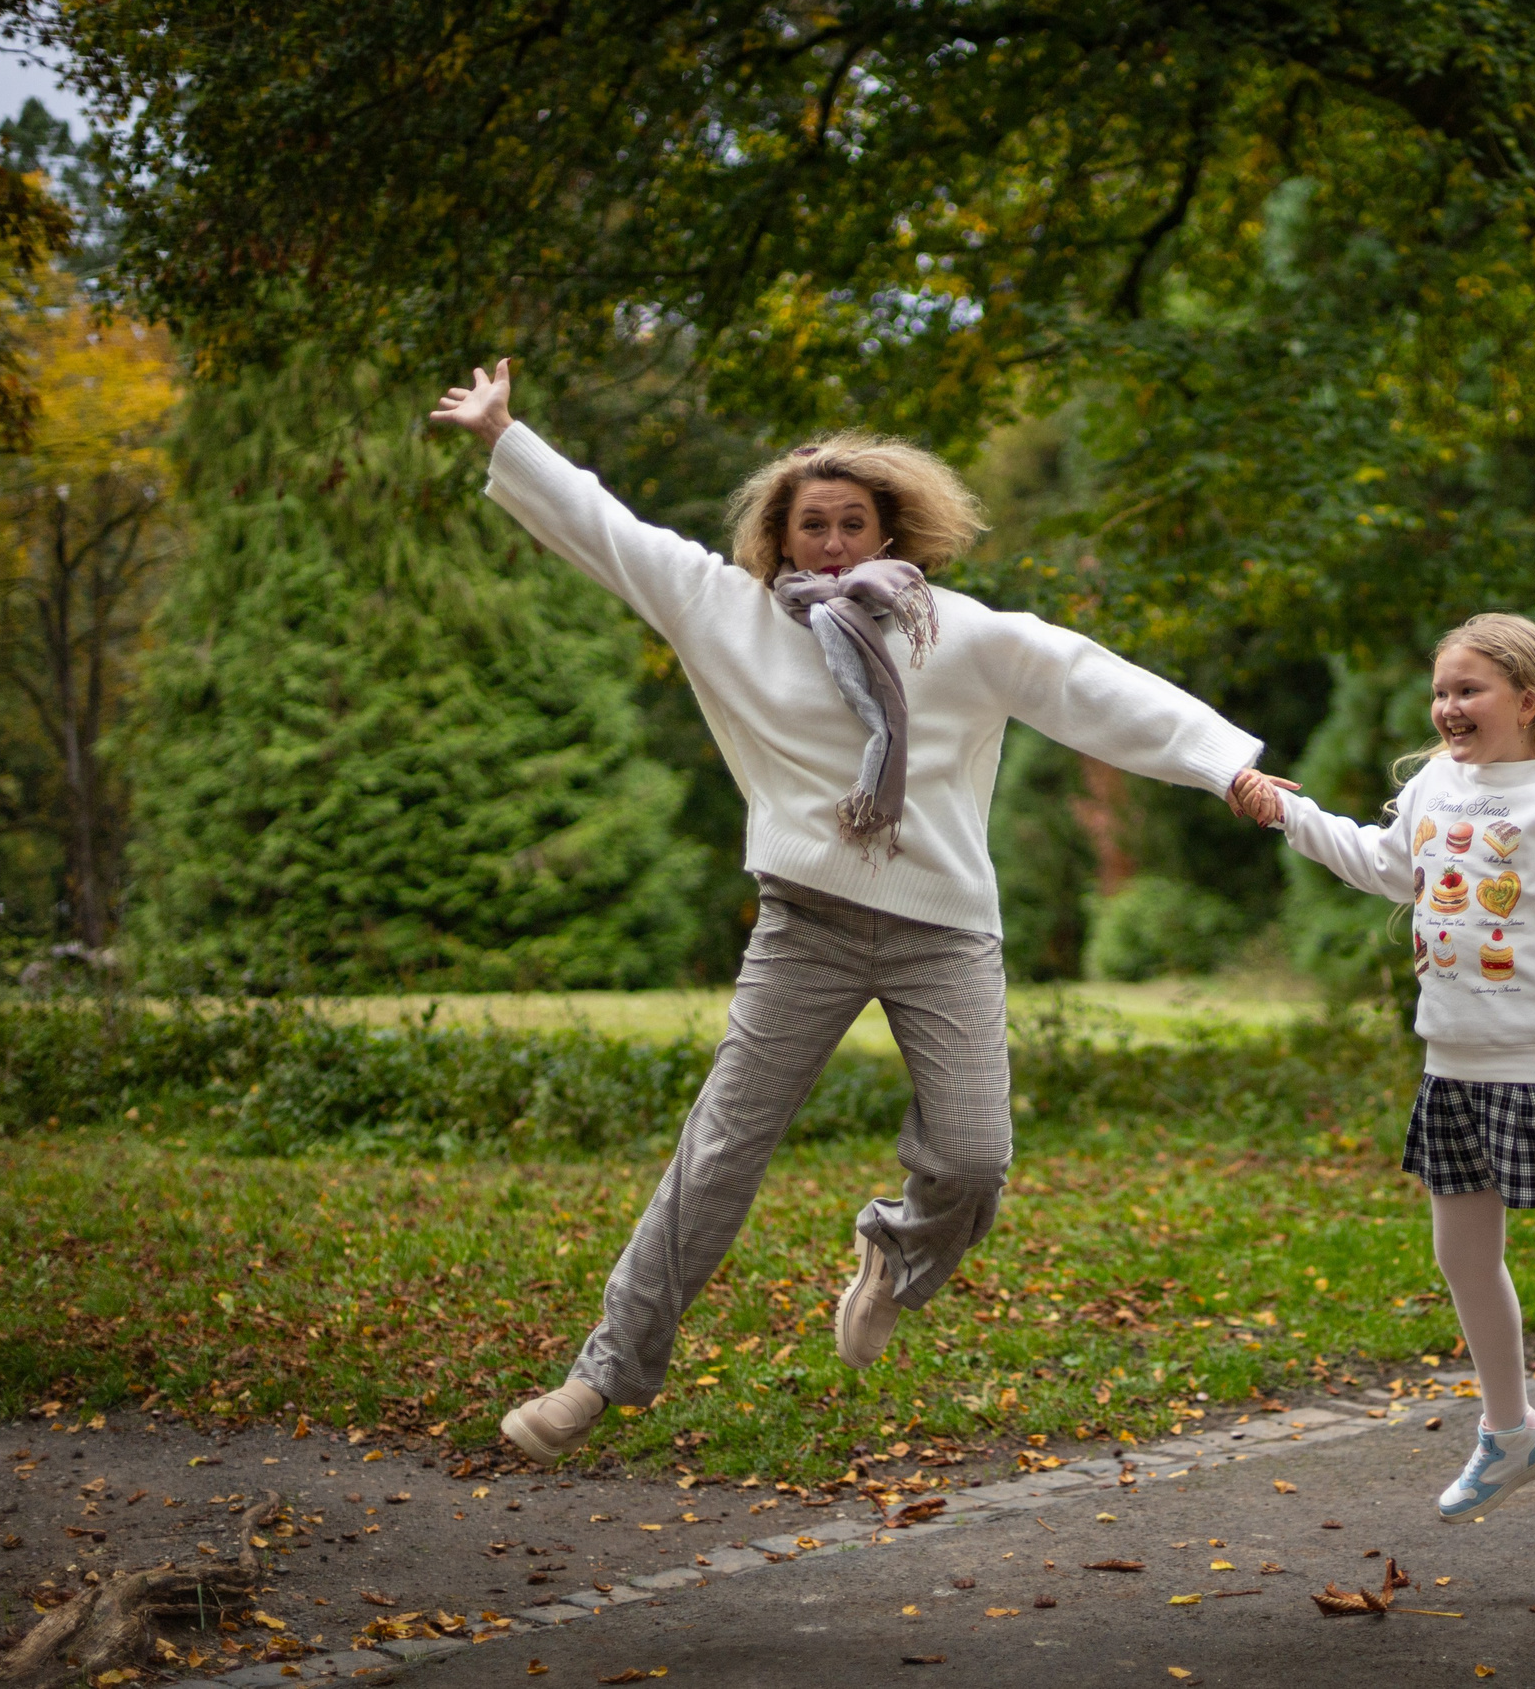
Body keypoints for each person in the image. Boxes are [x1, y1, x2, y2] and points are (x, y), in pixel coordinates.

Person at [430, 360, 1282, 1463]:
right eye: (811, 526)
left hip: (944, 931)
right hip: (806, 926)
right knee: (719, 1153)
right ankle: (600, 1377)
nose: (831, 542)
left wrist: (1225, 769)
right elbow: (610, 529)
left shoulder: (956, 633)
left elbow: (1091, 683)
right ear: (779, 541)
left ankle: (894, 1252)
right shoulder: (723, 614)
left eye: (852, 524)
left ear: (892, 536)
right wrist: (507, 434)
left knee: (974, 1161)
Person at [1233, 613, 1535, 1597]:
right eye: (1441, 691)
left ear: (1528, 701)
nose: (1449, 708)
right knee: (1459, 1253)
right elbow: (1386, 864)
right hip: (1454, 1064)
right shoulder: (1433, 787)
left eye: (1469, 691)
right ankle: (1511, 1432)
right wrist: (1284, 815)